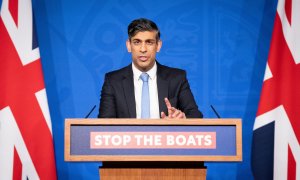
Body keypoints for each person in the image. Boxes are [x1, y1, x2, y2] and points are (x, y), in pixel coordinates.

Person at [98, 18, 202, 119]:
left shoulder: (177, 78)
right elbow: (104, 125)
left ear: (158, 45)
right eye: (137, 42)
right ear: (129, 45)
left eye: (149, 42)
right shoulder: (113, 81)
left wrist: (182, 119)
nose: (143, 49)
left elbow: (195, 116)